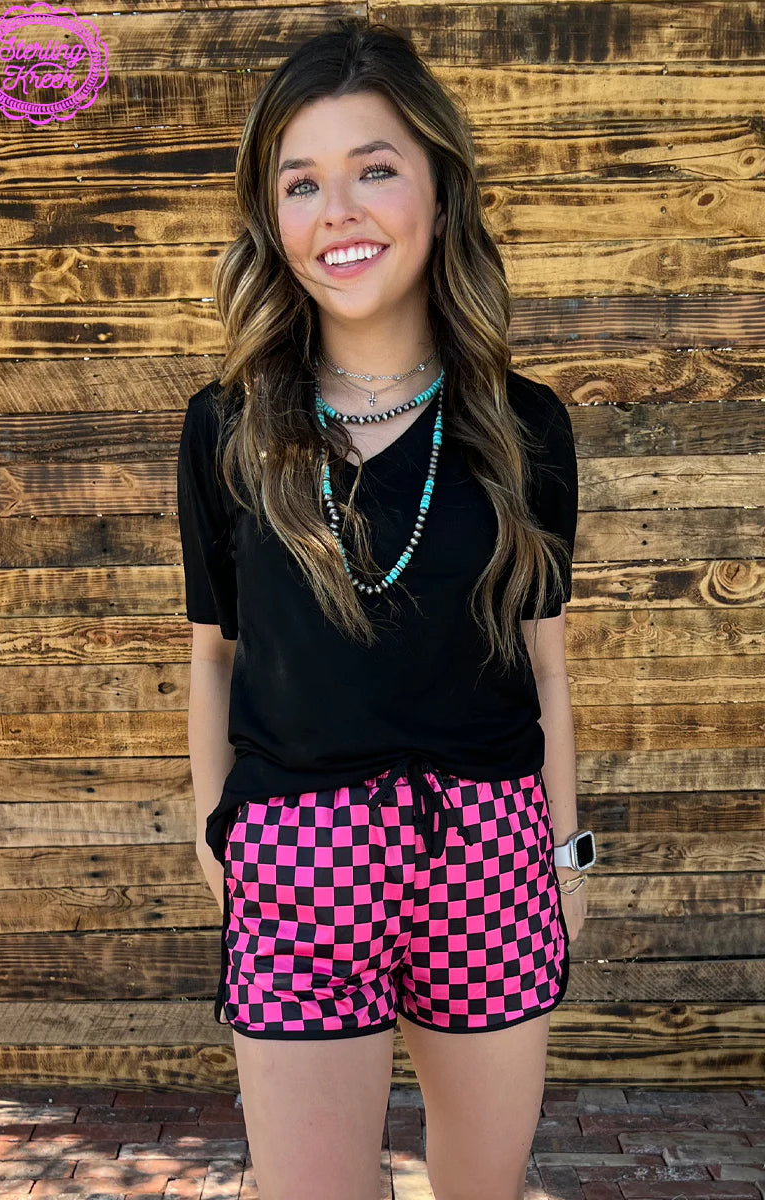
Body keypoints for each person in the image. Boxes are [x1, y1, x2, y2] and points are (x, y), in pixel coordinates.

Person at [177, 17, 594, 1200]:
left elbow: (544, 667)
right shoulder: (227, 429)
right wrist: (215, 830)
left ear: (438, 189)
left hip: (491, 850)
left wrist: (565, 858)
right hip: (296, 854)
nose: (338, 212)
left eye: (373, 168)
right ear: (271, 217)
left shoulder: (521, 428)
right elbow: (213, 654)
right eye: (300, 182)